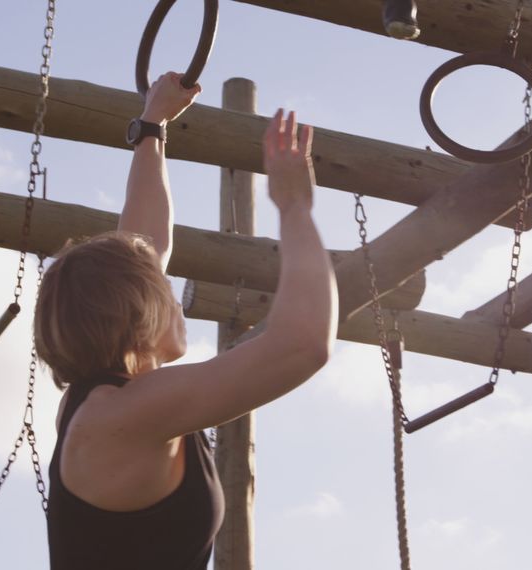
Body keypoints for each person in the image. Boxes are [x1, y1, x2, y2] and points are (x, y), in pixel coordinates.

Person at [39, 71, 338, 569]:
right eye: (163, 292)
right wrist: (294, 207)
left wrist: (153, 125)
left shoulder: (99, 402)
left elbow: (145, 244)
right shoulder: (118, 416)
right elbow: (303, 343)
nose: (174, 300)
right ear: (134, 314)